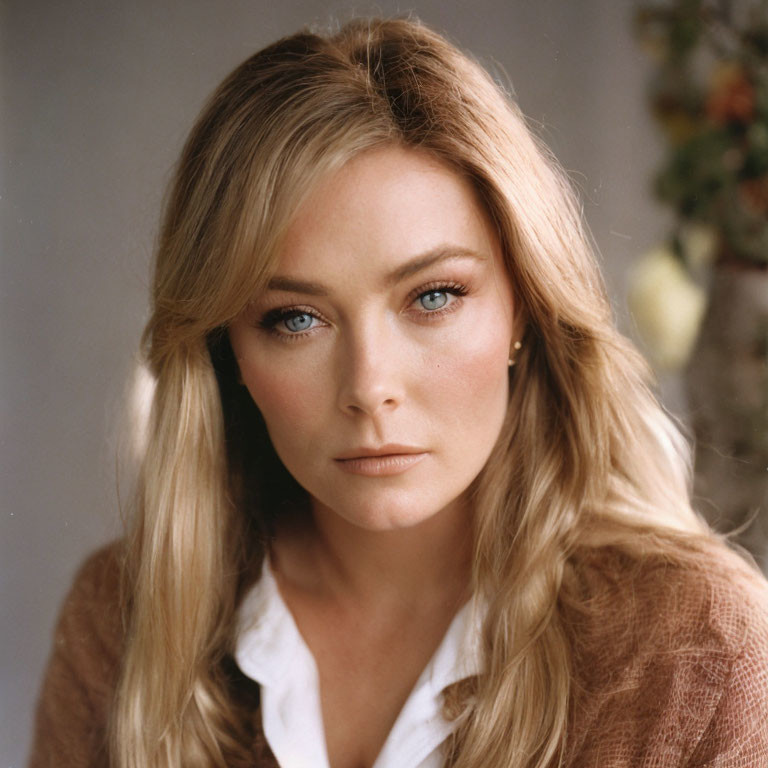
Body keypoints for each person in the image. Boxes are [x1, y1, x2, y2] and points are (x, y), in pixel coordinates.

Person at [28, 16, 768, 768]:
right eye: (296, 318)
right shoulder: (122, 622)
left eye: (434, 297)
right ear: (228, 351)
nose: (370, 388)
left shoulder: (700, 651)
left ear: (525, 307)